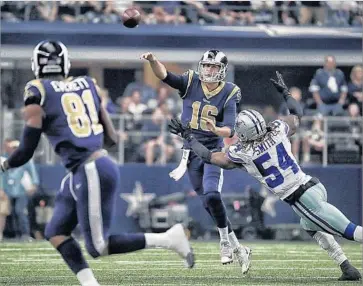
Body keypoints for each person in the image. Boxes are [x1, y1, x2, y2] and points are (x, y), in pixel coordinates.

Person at [0, 40, 194, 286]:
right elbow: (111, 138)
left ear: (37, 66)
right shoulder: (87, 84)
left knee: (98, 246)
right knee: (56, 232)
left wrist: (4, 165)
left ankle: (169, 238)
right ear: (65, 63)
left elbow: (26, 148)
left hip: (88, 168)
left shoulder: (37, 89)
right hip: (90, 165)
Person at [168, 71, 362, 281]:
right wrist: (286, 93)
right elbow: (297, 113)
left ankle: (347, 267)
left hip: (301, 198)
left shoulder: (244, 153)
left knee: (350, 231)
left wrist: (188, 136)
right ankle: (347, 268)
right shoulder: (278, 129)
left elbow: (210, 157)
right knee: (309, 226)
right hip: (313, 187)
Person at [141, 50, 251, 272]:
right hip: (190, 151)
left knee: (212, 194)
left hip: (212, 151)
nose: (209, 70)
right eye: (207, 65)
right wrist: (153, 61)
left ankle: (224, 242)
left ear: (222, 71)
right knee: (207, 204)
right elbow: (166, 76)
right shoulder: (191, 81)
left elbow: (230, 128)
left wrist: (215, 129)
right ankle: (239, 247)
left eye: (213, 67)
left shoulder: (229, 92)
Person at [0, 139, 39, 241]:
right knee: (10, 212)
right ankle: (15, 233)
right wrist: (1, 188)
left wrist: (34, 184)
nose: (14, 150)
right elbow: (2, 174)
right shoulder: (5, 159)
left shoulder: (25, 159)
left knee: (20, 211)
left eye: (16, 148)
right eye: (13, 148)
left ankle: (25, 233)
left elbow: (32, 172)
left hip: (22, 190)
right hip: (8, 190)